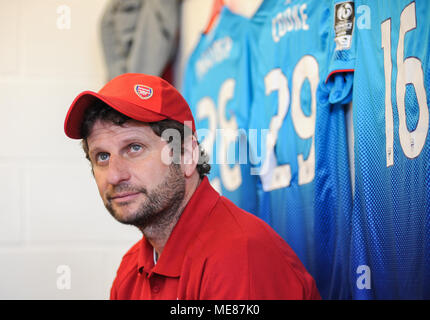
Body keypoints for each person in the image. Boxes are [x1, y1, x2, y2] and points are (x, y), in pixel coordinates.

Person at [64, 73, 321, 300]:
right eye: (102, 156)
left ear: (187, 156)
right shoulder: (131, 270)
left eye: (134, 148)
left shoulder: (239, 257)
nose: (114, 175)